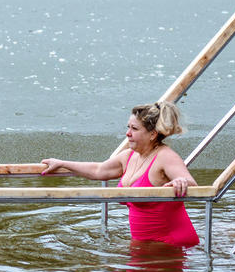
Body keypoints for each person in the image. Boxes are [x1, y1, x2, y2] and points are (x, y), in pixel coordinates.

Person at [41, 101, 200, 247]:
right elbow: (98, 170)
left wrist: (180, 181)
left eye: (134, 129)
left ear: (152, 134)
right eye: (128, 127)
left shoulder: (165, 156)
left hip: (170, 244)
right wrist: (62, 163)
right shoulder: (129, 156)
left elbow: (191, 184)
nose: (127, 134)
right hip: (146, 245)